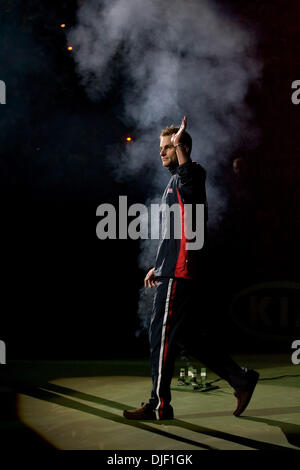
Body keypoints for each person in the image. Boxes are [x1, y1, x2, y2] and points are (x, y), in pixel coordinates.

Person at [123, 117, 259, 421]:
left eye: (167, 148)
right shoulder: (174, 182)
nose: (161, 153)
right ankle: (241, 379)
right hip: (172, 269)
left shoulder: (192, 174)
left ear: (181, 148)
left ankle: (159, 405)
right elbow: (176, 230)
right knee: (188, 338)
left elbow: (186, 175)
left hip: (180, 272)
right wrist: (157, 267)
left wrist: (180, 143)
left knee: (160, 335)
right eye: (161, 148)